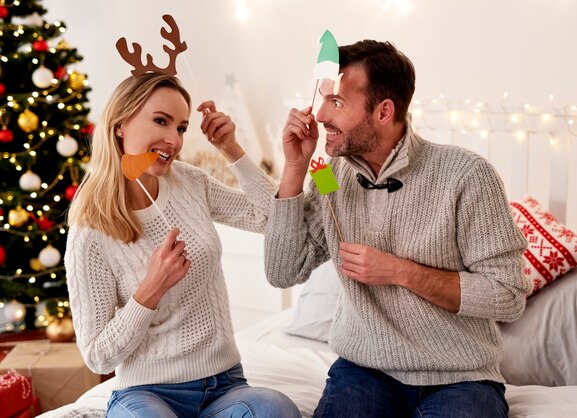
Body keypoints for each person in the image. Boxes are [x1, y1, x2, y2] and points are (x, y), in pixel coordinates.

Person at [265, 40, 532, 417]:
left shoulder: (466, 176)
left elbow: (507, 295)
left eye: (337, 102)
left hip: (461, 377)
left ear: (383, 111)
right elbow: (282, 272)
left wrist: (398, 272)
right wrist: (294, 167)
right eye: (322, 99)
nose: (320, 114)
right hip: (363, 372)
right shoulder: (331, 176)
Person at [65, 72, 300, 418]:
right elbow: (97, 355)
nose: (173, 139)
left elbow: (270, 218)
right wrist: (150, 290)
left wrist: (231, 149)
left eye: (181, 127)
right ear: (120, 125)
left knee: (276, 410)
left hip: (225, 385)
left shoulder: (190, 182)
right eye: (161, 121)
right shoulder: (90, 231)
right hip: (146, 394)